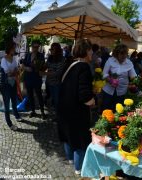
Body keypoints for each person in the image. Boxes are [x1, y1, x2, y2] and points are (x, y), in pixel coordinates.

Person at [57, 39, 95, 175]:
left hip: (64, 109)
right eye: (90, 49)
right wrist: (92, 101)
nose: (92, 52)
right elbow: (84, 95)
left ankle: (70, 160)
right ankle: (78, 169)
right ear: (85, 51)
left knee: (68, 136)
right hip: (76, 112)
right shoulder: (84, 67)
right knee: (80, 142)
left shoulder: (71, 64)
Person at [102, 44, 137, 111]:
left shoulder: (129, 63)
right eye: (121, 53)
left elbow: (133, 76)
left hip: (121, 91)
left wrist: (134, 84)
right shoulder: (110, 60)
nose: (124, 56)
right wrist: (110, 80)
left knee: (118, 112)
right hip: (108, 90)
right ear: (116, 53)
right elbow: (104, 74)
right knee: (106, 109)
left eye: (125, 53)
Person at [0, 42, 22, 130]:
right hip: (4, 85)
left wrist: (15, 72)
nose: (15, 50)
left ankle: (16, 115)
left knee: (14, 101)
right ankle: (9, 124)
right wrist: (15, 72)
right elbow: (8, 73)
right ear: (9, 49)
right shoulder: (3, 59)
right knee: (6, 104)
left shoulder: (14, 58)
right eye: (13, 48)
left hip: (12, 83)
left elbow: (17, 69)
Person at [22, 40, 46, 119]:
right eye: (34, 47)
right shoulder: (27, 55)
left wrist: (39, 69)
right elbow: (23, 65)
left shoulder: (41, 55)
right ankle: (33, 111)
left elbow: (43, 67)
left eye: (37, 47)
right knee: (30, 95)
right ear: (31, 46)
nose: (35, 48)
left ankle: (42, 111)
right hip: (28, 78)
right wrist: (26, 68)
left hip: (36, 79)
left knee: (39, 96)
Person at [45, 43, 65, 120]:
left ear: (57, 50)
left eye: (52, 49)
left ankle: (59, 116)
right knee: (54, 100)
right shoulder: (50, 58)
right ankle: (57, 114)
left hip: (58, 84)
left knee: (57, 101)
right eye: (50, 49)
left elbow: (58, 73)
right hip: (50, 83)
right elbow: (46, 66)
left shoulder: (62, 59)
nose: (51, 51)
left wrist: (47, 72)